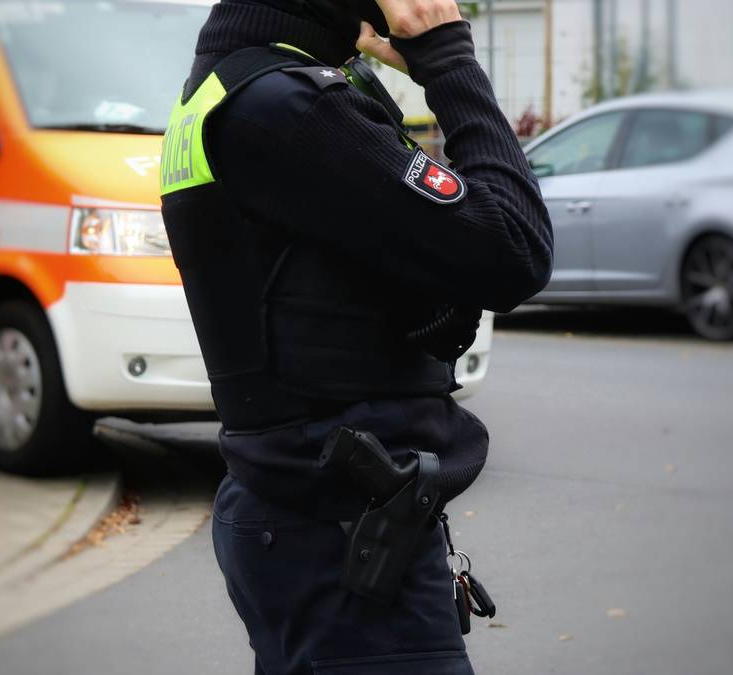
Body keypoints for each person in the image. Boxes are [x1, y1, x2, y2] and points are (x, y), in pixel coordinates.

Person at [159, 0, 553, 672]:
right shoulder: (290, 108)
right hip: (341, 538)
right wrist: (449, 60)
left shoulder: (233, 84)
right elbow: (514, 247)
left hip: (298, 518)